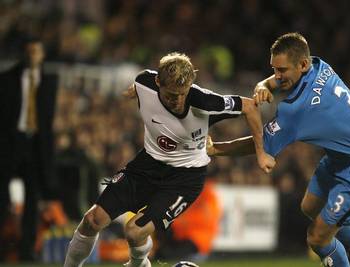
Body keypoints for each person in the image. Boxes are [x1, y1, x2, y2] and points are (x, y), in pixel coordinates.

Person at [63, 52, 275, 267]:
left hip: (184, 179)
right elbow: (138, 85)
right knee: (92, 220)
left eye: (183, 93)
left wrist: (260, 152)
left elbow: (250, 106)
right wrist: (129, 93)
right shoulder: (145, 82)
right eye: (172, 94)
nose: (178, 100)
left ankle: (138, 264)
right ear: (157, 83)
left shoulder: (204, 101)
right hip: (146, 165)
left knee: (134, 232)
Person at [208, 33, 350, 267]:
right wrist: (263, 84)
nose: (277, 76)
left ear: (302, 64)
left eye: (281, 70)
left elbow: (259, 143)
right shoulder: (320, 65)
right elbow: (275, 81)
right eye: (274, 69)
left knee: (317, 237)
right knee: (310, 206)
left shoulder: (297, 111)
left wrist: (216, 149)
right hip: (340, 158)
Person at [0, 37, 58, 261]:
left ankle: (26, 250)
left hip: (35, 147)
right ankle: (4, 248)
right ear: (24, 54)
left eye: (37, 52)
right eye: (30, 51)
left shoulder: (49, 81)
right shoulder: (7, 79)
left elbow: (48, 121)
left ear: (42, 55)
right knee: (2, 200)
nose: (33, 56)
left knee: (32, 201)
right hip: (11, 144)